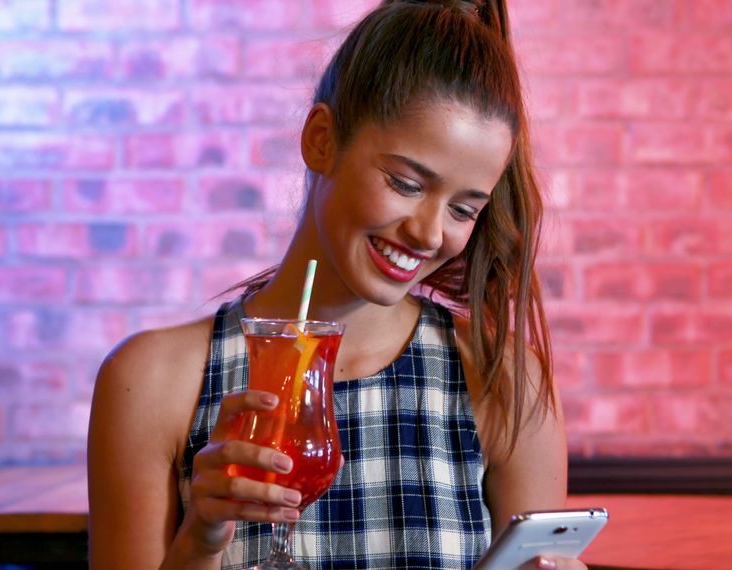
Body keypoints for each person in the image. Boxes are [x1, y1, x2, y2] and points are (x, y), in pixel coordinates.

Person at [87, 0, 579, 568]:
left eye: (464, 211)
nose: (428, 233)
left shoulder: (500, 381)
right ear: (321, 139)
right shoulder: (151, 383)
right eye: (405, 182)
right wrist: (201, 537)